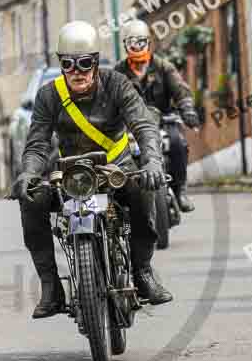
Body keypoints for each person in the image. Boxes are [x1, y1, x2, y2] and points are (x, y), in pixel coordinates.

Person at [12, 20, 172, 319]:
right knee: (31, 198)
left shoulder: (117, 84)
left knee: (144, 190)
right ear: (61, 64)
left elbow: (144, 126)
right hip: (72, 174)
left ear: (96, 62)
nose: (77, 71)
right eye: (69, 64)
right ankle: (51, 288)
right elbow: (37, 145)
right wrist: (29, 172)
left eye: (85, 63)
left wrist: (151, 161)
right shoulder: (49, 95)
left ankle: (143, 272)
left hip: (118, 169)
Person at [115, 19, 199, 213]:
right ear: (125, 45)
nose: (136, 47)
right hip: (131, 126)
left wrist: (187, 109)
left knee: (178, 143)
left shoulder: (163, 67)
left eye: (140, 42)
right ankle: (121, 196)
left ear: (148, 43)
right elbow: (108, 97)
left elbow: (181, 90)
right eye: (131, 42)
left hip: (163, 120)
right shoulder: (118, 73)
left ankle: (180, 190)